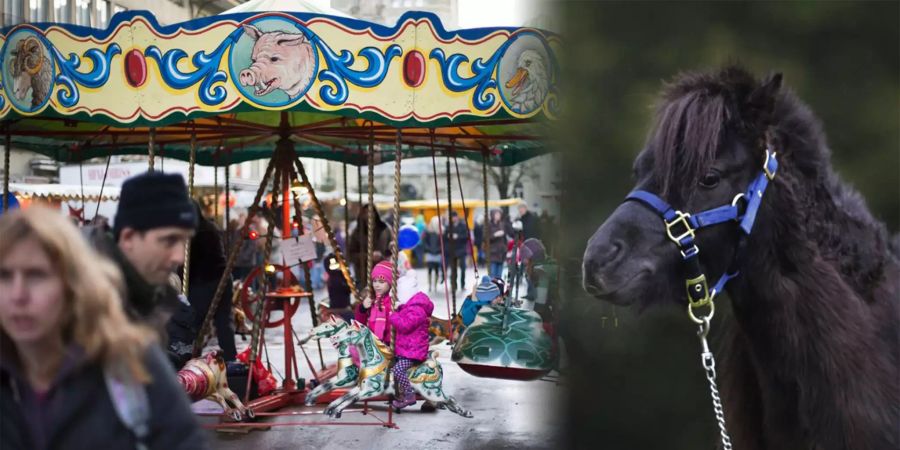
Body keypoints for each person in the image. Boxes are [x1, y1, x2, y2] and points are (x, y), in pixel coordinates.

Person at [0, 207, 208, 449]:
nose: (18, 295)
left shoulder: (129, 362)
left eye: (36, 275)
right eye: (4, 276)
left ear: (71, 284)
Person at [85, 172, 197, 366]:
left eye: (183, 240)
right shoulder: (88, 302)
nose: (179, 256)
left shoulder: (151, 299)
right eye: (168, 240)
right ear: (129, 238)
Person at [184, 201, 236, 363]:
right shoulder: (210, 227)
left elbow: (189, 263)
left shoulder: (193, 233)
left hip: (204, 282)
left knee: (194, 323)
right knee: (223, 322)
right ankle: (230, 357)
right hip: (222, 279)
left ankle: (190, 357)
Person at [389, 268, 434, 409]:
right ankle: (401, 392)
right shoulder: (411, 307)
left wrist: (393, 315)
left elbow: (405, 325)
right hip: (408, 349)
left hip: (414, 351)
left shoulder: (417, 310)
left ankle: (409, 395)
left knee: (397, 370)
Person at [347, 204, 393, 289]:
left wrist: (382, 255)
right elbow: (351, 255)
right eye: (366, 213)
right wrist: (368, 256)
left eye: (371, 212)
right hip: (363, 276)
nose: (369, 215)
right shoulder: (357, 233)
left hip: (383, 273)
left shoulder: (385, 229)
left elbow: (392, 250)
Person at [353, 260, 395, 345]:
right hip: (373, 343)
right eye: (374, 281)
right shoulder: (371, 299)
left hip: (389, 344)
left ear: (390, 283)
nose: (376, 285)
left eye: (381, 282)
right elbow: (360, 324)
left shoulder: (394, 302)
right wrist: (362, 308)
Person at [443, 211, 469, 292]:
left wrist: (457, 237)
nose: (453, 219)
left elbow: (466, 237)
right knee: (453, 269)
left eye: (454, 217)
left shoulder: (463, 226)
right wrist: (447, 236)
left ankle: (462, 284)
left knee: (463, 268)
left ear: (457, 217)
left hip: (461, 249)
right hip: (452, 250)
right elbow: (444, 238)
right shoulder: (448, 226)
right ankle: (454, 285)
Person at [484, 208, 510, 280]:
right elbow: (485, 238)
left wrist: (506, 249)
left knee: (499, 276)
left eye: (499, 214)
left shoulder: (502, 224)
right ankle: (492, 289)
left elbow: (505, 239)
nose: (498, 216)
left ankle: (498, 289)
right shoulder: (488, 225)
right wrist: (495, 235)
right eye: (497, 214)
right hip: (492, 253)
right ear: (493, 215)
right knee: (492, 275)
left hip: (501, 253)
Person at [422, 216, 443, 291]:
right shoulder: (427, 231)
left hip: (437, 253)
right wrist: (428, 249)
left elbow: (442, 243)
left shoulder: (440, 232)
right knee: (430, 269)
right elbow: (425, 242)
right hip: (430, 253)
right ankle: (430, 285)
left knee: (437, 269)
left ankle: (435, 286)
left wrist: (438, 250)